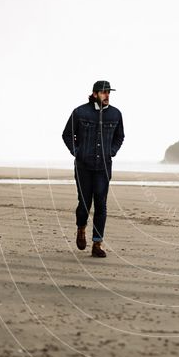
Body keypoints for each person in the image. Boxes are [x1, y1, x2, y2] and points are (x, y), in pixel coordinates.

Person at [61, 80, 124, 257]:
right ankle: (81, 229)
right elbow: (67, 134)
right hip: (83, 166)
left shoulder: (116, 114)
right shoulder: (80, 112)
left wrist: (111, 152)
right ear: (95, 94)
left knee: (101, 205)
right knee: (84, 204)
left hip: (103, 167)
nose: (107, 96)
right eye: (104, 92)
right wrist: (77, 152)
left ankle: (97, 244)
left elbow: (120, 137)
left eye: (108, 93)